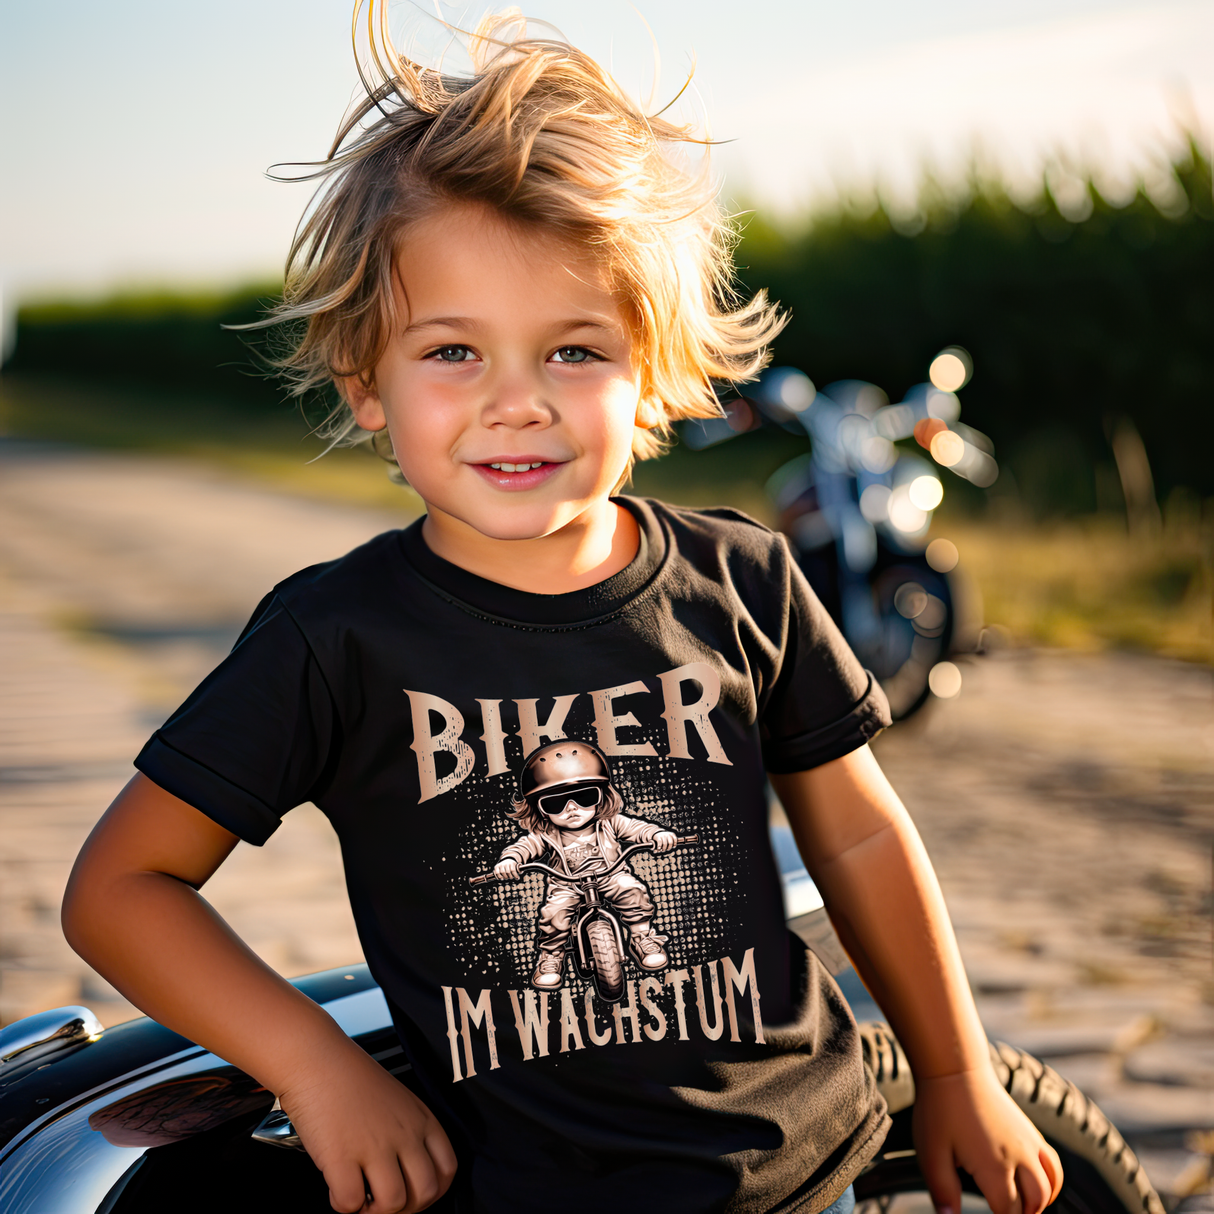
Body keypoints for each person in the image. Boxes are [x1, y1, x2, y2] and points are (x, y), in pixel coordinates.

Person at [61, 9, 1064, 1214]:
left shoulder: (742, 579)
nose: (516, 403)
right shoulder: (334, 638)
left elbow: (854, 836)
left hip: (808, 1172)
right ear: (364, 379)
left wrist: (953, 1069)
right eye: (452, 353)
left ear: (653, 369)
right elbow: (120, 888)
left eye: (573, 350)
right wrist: (312, 1063)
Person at [492, 739, 679, 990]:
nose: (572, 809)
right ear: (540, 809)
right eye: (556, 803)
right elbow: (525, 846)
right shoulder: (546, 834)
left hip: (610, 875)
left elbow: (637, 828)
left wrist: (657, 835)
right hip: (567, 886)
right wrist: (510, 860)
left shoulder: (610, 822)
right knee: (554, 913)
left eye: (584, 796)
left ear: (601, 796)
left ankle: (642, 936)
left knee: (631, 889)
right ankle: (551, 956)